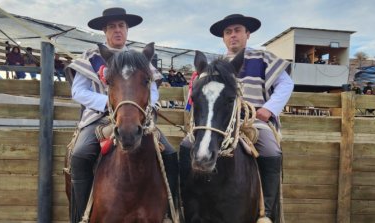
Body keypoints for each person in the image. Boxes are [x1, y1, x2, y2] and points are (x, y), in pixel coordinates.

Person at [65, 7, 178, 222]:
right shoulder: (90, 57)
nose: (117, 30)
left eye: (121, 26)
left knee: (170, 154)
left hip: (137, 117)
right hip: (98, 119)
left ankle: (170, 213)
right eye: (112, 27)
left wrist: (140, 108)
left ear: (127, 29)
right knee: (79, 155)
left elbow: (152, 91)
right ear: (104, 31)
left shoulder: (139, 58)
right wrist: (110, 106)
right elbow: (78, 91)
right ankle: (82, 215)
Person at [180, 14, 294, 222]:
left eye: (237, 31)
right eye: (228, 32)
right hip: (218, 122)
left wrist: (269, 109)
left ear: (247, 34)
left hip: (253, 120)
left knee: (270, 149)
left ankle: (266, 212)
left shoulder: (262, 57)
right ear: (223, 38)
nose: (233, 35)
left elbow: (286, 84)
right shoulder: (216, 65)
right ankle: (183, 204)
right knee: (186, 145)